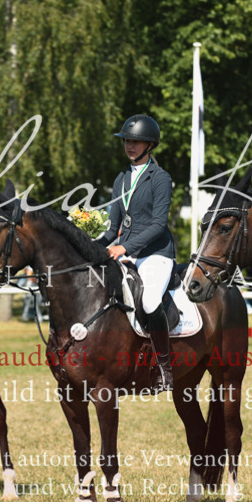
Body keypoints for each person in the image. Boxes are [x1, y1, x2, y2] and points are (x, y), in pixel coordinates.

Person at [97, 114, 176, 394]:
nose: (130, 146)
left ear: (149, 144)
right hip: (127, 252)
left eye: (136, 141)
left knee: (151, 302)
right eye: (127, 141)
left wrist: (124, 247)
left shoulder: (160, 178)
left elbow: (158, 225)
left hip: (156, 253)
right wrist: (92, 244)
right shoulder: (121, 179)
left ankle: (165, 370)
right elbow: (113, 227)